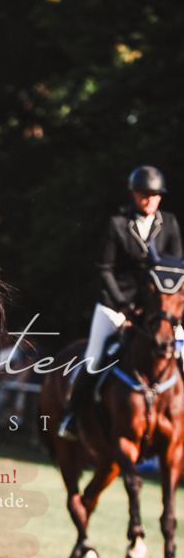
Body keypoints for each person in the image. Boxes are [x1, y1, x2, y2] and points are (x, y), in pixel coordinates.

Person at [59, 165, 183, 440]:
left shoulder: (170, 223)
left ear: (160, 196)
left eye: (155, 194)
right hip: (115, 306)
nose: (149, 199)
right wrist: (124, 306)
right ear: (134, 194)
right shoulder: (117, 224)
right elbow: (105, 268)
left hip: (158, 311)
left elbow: (175, 270)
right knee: (94, 357)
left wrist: (166, 311)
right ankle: (72, 415)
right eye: (144, 193)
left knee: (183, 351)